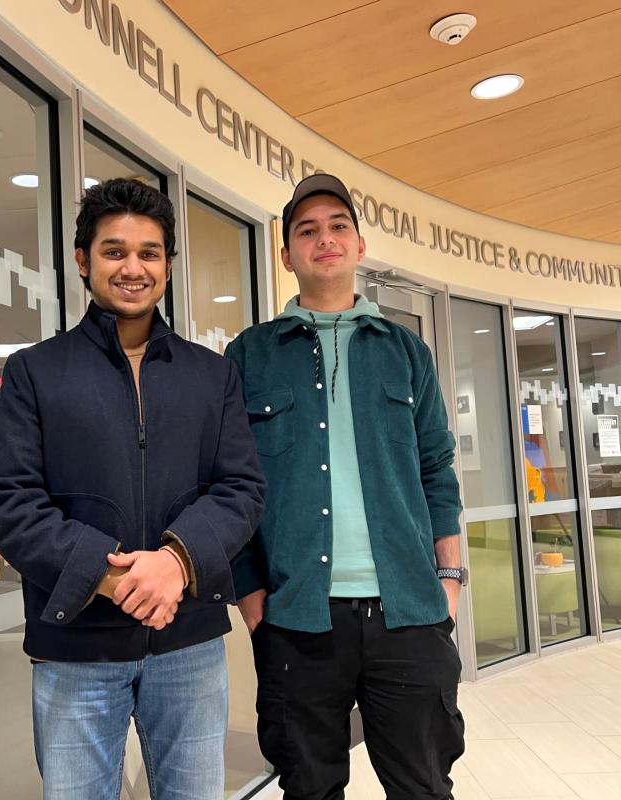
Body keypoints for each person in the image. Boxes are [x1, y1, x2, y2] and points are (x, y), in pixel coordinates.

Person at [0, 178, 265, 800]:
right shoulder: (36, 371)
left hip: (188, 639)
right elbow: (8, 498)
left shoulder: (212, 375)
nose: (132, 267)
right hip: (74, 643)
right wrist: (111, 578)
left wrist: (174, 564)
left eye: (149, 253)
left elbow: (241, 487)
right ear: (83, 262)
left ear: (166, 266)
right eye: (114, 251)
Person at [226, 174, 466, 800]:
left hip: (409, 613)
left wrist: (451, 580)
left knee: (423, 787)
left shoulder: (406, 352)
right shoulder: (248, 356)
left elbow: (437, 469)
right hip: (297, 619)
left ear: (359, 246)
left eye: (337, 227)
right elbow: (229, 483)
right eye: (307, 231)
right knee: (309, 789)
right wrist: (252, 599)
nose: (323, 239)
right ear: (287, 255)